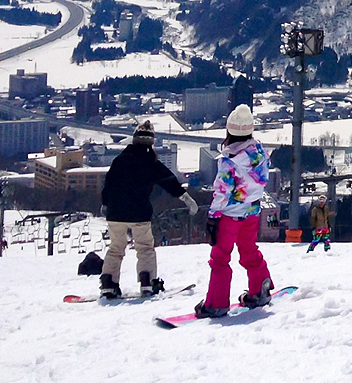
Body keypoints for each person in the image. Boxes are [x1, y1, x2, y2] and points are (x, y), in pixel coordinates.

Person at [99, 121, 199, 299]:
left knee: (115, 248)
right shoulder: (150, 162)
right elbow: (169, 180)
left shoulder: (119, 160)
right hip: (139, 212)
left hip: (115, 212)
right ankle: (147, 282)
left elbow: (108, 184)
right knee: (144, 248)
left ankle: (109, 283)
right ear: (151, 142)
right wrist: (185, 198)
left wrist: (105, 203)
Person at [196, 105, 273, 319]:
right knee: (249, 250)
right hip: (252, 212)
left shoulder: (229, 160)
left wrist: (213, 216)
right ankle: (261, 289)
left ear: (229, 131)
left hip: (230, 215)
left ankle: (216, 303)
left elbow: (222, 192)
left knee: (220, 257)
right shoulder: (259, 152)